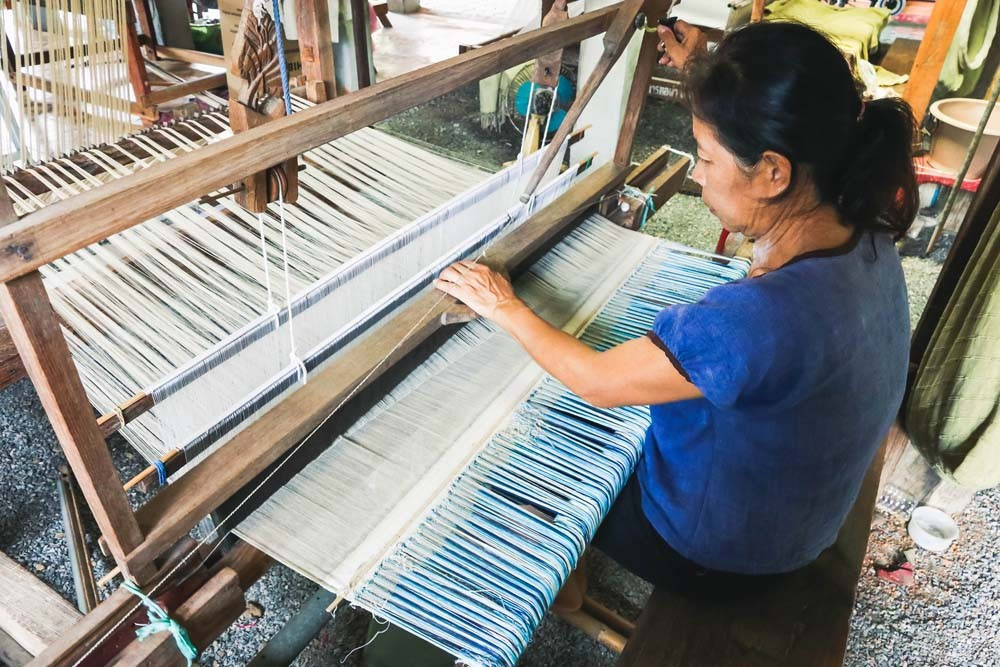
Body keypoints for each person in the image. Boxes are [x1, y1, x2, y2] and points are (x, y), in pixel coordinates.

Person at [435, 19, 917, 600]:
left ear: (773, 173)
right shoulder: (864, 234)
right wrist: (702, 70)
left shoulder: (753, 320)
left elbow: (597, 382)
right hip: (801, 520)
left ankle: (560, 587)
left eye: (706, 158)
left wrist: (502, 303)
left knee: (515, 465)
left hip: (718, 553)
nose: (695, 172)